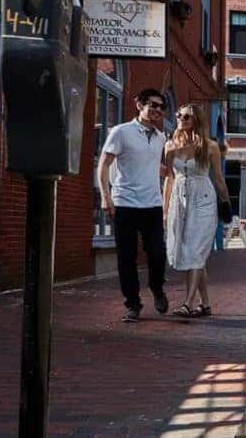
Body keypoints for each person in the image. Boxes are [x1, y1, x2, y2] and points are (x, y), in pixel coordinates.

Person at [98, 88, 170, 323]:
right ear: (139, 105)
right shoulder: (121, 132)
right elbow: (104, 164)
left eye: (161, 107)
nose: (158, 110)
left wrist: (162, 171)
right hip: (125, 203)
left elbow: (149, 164)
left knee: (158, 253)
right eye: (153, 105)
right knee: (126, 257)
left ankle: (156, 288)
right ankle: (133, 304)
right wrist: (105, 196)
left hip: (152, 204)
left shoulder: (160, 137)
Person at [163, 103, 231, 317]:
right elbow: (169, 179)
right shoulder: (170, 146)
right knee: (191, 253)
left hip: (204, 200)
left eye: (186, 117)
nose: (181, 119)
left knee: (195, 252)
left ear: (197, 121)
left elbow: (218, 179)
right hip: (180, 201)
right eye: (179, 115)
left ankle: (188, 303)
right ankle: (206, 304)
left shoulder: (210, 147)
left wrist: (227, 203)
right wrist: (165, 210)